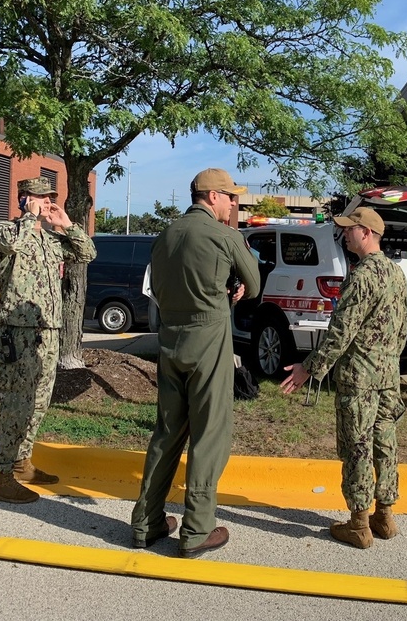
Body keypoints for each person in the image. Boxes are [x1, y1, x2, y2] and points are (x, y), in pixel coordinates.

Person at [130, 168, 260, 557]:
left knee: (167, 431)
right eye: (231, 197)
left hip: (169, 340)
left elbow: (156, 285)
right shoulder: (225, 236)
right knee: (209, 433)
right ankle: (198, 528)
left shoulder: (165, 234)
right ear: (213, 197)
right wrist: (231, 289)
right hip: (209, 340)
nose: (234, 204)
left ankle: (146, 522)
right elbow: (252, 285)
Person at [280, 207, 407, 549]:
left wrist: (309, 368)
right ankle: (386, 515)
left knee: (357, 447)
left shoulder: (362, 275)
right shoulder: (396, 273)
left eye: (349, 230)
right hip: (387, 377)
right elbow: (402, 332)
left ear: (366, 232)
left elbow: (341, 332)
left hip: (360, 379)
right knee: (385, 444)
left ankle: (359, 524)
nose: (344, 235)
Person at [0, 177, 96, 504]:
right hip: (17, 333)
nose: (47, 201)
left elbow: (87, 253)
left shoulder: (50, 239)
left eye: (50, 197)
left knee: (39, 401)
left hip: (48, 332)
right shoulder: (7, 231)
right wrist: (30, 218)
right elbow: (12, 244)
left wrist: (67, 224)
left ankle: (21, 461)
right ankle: (1, 476)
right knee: (16, 403)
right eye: (39, 197)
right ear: (23, 199)